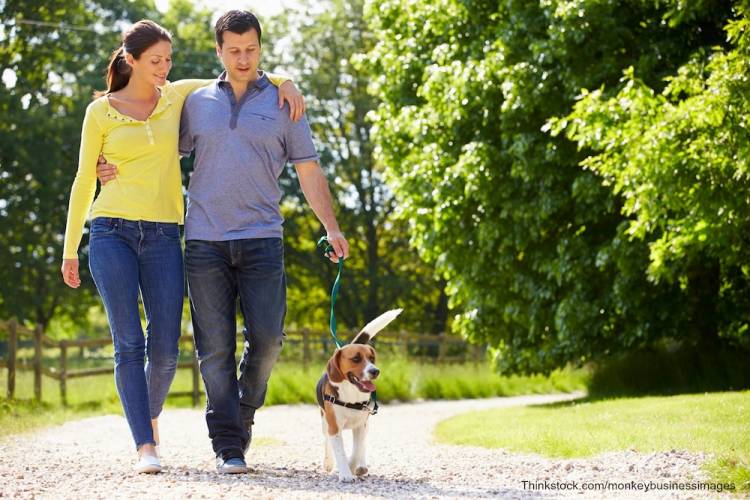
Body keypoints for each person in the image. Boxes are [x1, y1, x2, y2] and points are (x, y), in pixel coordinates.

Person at [61, 19, 304, 474]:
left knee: (168, 347)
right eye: (155, 61)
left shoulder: (176, 96)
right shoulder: (101, 113)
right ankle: (145, 444)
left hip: (164, 234)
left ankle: (147, 414)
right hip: (111, 230)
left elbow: (240, 73)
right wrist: (70, 247)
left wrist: (285, 80)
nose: (164, 68)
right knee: (129, 342)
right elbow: (82, 179)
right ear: (130, 60)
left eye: (168, 60)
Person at [180, 10, 348, 474]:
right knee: (214, 348)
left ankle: (243, 415)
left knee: (270, 339)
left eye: (251, 49)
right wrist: (108, 164)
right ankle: (227, 443)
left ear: (260, 48)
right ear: (218, 50)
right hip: (204, 242)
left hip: (261, 239)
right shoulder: (194, 102)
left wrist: (331, 226)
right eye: (233, 50)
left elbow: (309, 169)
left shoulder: (283, 102)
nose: (242, 58)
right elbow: (157, 151)